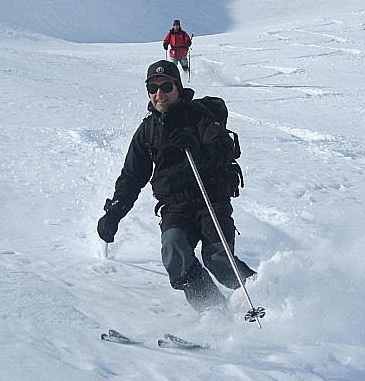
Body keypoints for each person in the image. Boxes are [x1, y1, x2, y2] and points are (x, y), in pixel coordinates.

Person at [97, 60, 255, 313]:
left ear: (178, 88)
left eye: (166, 86)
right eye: (153, 87)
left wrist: (197, 147)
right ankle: (213, 311)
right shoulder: (147, 131)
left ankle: (266, 295)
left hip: (210, 200)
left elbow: (224, 149)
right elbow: (132, 177)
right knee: (175, 255)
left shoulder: (199, 116)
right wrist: (114, 213)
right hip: (175, 208)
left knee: (219, 260)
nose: (159, 93)